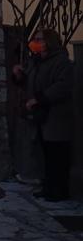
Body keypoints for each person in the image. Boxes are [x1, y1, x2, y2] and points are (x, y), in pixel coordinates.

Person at [12, 29, 75, 201]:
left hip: (56, 115)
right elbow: (29, 82)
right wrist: (19, 76)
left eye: (39, 39)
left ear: (49, 42)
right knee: (45, 153)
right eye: (35, 39)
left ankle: (59, 191)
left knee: (58, 154)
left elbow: (63, 86)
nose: (35, 42)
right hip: (41, 114)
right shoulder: (36, 61)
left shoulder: (61, 62)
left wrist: (39, 99)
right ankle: (48, 187)